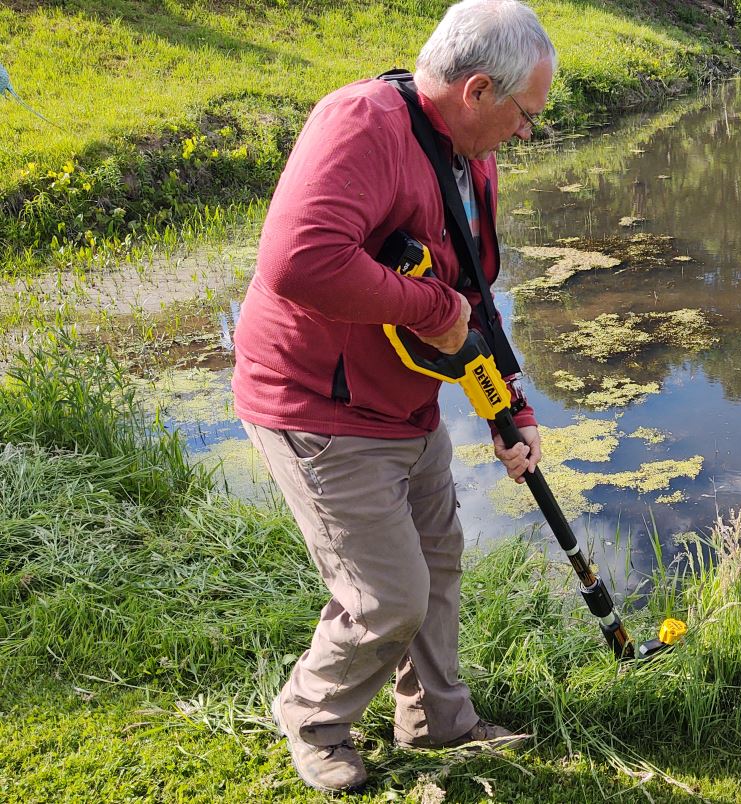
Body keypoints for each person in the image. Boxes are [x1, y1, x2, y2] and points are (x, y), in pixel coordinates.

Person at [231, 0, 555, 793]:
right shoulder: (363, 124)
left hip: (404, 402)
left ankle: (438, 723)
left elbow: (471, 293)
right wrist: (433, 312)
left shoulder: (468, 155)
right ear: (479, 90)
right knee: (388, 596)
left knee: (439, 564)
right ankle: (312, 718)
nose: (525, 132)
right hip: (320, 405)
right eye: (525, 115)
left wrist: (509, 405)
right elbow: (300, 263)